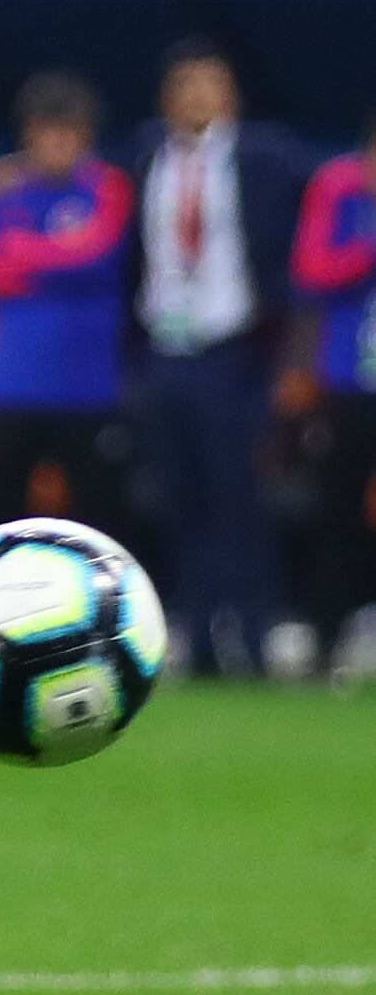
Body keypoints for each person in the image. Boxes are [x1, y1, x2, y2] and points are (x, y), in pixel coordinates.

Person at [125, 38, 314, 674]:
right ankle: (198, 642)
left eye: (210, 83)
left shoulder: (267, 158)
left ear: (231, 95)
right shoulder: (145, 156)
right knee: (181, 502)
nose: (197, 96)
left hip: (236, 351)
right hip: (164, 352)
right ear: (166, 97)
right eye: (185, 85)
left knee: (240, 501)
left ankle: (254, 641)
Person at [0, 72, 136, 535]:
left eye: (68, 130)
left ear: (87, 136)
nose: (56, 141)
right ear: (27, 135)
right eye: (45, 129)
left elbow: (100, 256)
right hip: (12, 385)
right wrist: (56, 253)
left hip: (88, 387)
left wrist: (17, 251)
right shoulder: (1, 191)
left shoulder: (108, 187)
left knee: (99, 518)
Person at [290, 118, 376, 671]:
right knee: (338, 509)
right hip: (349, 381)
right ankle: (328, 640)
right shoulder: (339, 188)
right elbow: (312, 270)